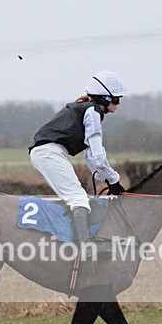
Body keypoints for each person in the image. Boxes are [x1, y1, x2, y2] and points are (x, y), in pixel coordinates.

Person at [29, 70, 127, 245]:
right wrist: (114, 180)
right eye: (116, 99)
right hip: (49, 153)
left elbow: (90, 157)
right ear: (104, 98)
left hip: (45, 153)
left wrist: (106, 179)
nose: (118, 104)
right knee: (78, 199)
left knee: (77, 198)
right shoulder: (92, 112)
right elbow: (98, 154)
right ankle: (85, 246)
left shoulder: (86, 109)